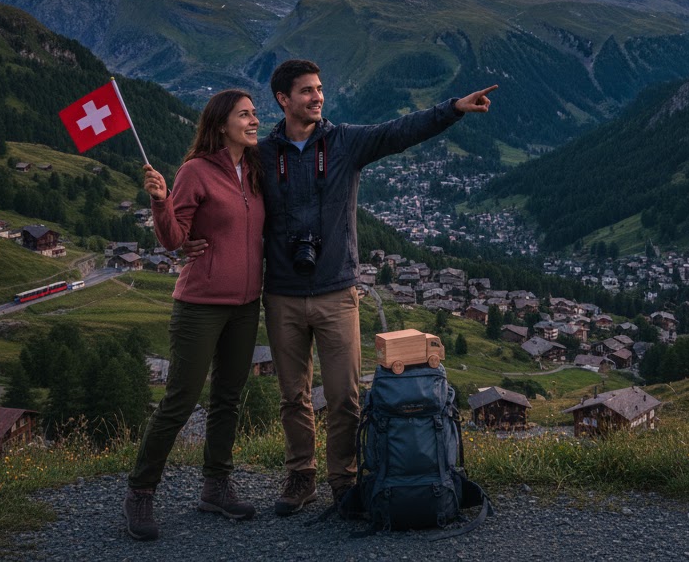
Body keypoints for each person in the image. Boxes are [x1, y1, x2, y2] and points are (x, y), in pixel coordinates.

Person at [259, 58, 496, 516]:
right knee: (293, 395)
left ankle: (343, 483)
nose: (317, 97)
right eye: (306, 90)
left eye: (320, 88)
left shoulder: (345, 142)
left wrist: (453, 109)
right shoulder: (263, 154)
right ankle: (300, 476)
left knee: (345, 396)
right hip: (283, 293)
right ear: (282, 99)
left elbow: (398, 131)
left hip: (336, 291)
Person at [122, 89, 265, 541]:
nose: (254, 120)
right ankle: (141, 491)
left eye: (255, 113)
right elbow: (171, 238)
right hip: (200, 303)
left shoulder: (256, 171)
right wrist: (162, 200)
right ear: (221, 124)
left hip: (246, 305)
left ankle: (216, 486)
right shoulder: (195, 172)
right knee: (181, 399)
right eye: (245, 115)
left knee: (228, 396)